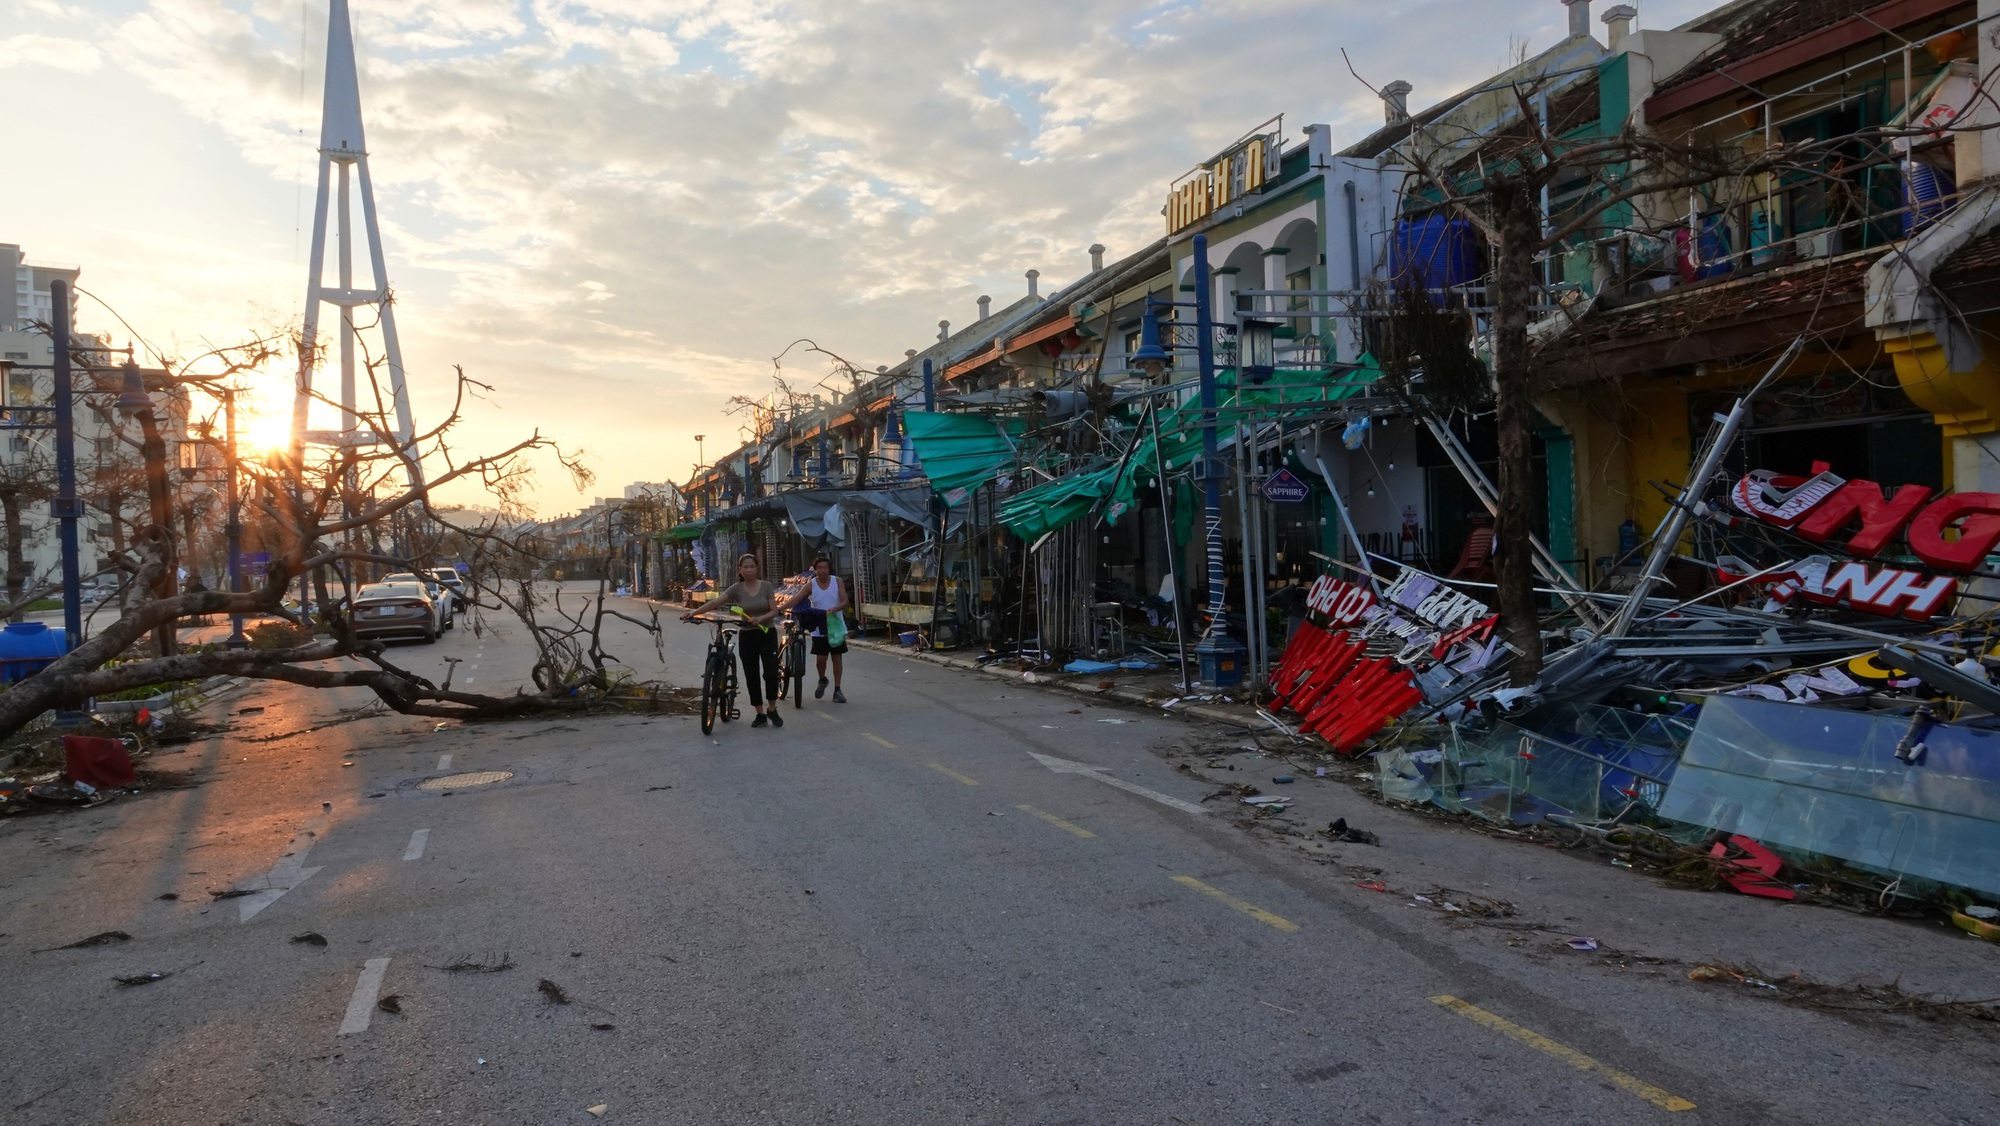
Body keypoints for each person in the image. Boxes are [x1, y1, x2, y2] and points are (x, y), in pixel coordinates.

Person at [683, 553, 785, 729]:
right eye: (745, 567)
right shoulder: (736, 589)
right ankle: (760, 713)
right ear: (740, 570)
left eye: (752, 566)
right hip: (747, 635)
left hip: (767, 633)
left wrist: (760, 619)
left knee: (770, 673)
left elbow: (774, 611)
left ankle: (772, 708)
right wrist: (694, 613)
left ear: (757, 568)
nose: (749, 570)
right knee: (751, 675)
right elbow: (715, 602)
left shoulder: (766, 586)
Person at [791, 556, 850, 703]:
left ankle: (838, 689)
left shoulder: (837, 581)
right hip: (818, 625)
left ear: (829, 569)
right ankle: (822, 679)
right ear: (815, 570)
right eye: (819, 568)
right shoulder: (811, 584)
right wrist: (779, 608)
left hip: (835, 624)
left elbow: (845, 601)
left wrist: (836, 608)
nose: (822, 570)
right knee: (821, 660)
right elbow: (796, 599)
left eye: (825, 568)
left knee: (837, 657)